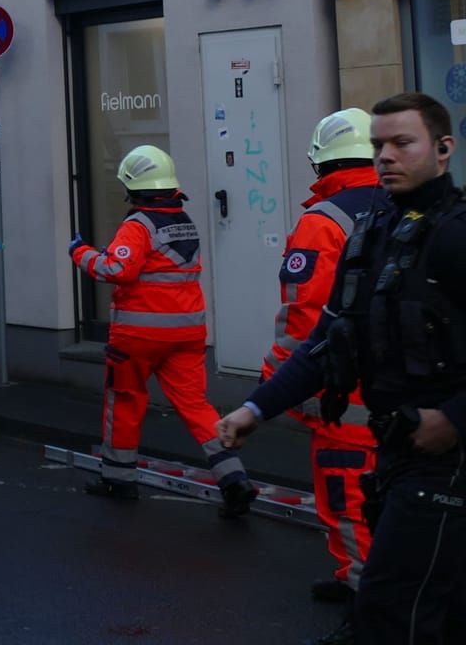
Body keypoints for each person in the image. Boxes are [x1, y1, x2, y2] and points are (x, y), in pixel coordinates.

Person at [220, 93, 466, 644]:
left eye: (403, 143)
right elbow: (327, 339)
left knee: (390, 608)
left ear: (443, 149)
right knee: (430, 609)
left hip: (446, 460)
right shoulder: (374, 234)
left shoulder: (454, 236)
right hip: (399, 452)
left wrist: (453, 416)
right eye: (378, 145)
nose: (386, 156)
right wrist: (256, 407)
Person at [70, 145, 257, 513]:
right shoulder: (183, 220)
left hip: (139, 336)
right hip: (187, 333)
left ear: (133, 187)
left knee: (124, 400)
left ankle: (119, 480)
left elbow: (116, 271)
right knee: (196, 406)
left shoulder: (137, 225)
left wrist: (81, 252)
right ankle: (233, 478)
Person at [265, 108, 384, 605]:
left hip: (343, 392)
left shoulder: (322, 222)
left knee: (346, 495)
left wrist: (278, 382)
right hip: (403, 391)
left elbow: (304, 319)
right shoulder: (403, 204)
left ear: (322, 164)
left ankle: (363, 592)